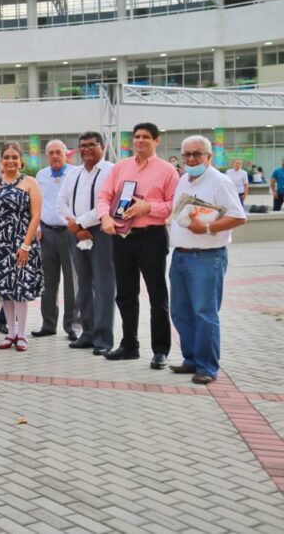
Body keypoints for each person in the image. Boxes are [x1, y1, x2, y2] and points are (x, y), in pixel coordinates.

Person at [96, 122, 179, 369]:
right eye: (136, 137)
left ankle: (160, 350)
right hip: (122, 238)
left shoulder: (168, 171)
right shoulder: (121, 167)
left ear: (156, 141)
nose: (140, 140)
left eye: (145, 137)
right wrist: (105, 217)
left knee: (157, 296)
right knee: (125, 294)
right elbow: (104, 196)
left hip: (151, 236)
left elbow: (175, 204)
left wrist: (149, 207)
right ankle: (129, 345)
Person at [168, 136, 247, 384]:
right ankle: (191, 359)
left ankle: (207, 367)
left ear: (209, 156)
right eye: (187, 155)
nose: (191, 159)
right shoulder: (183, 179)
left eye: (197, 154)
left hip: (207, 257)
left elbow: (238, 216)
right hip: (180, 254)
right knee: (180, 312)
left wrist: (209, 228)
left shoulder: (220, 182)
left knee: (204, 313)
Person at [57, 132, 115, 355]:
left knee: (103, 286)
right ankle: (87, 333)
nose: (87, 149)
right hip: (75, 233)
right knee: (83, 285)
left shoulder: (111, 171)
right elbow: (60, 203)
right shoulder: (74, 173)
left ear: (102, 147)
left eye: (92, 145)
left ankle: (103, 339)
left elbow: (108, 204)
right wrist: (76, 226)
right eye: (83, 145)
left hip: (102, 232)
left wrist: (81, 223)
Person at [0, 142, 43, 352]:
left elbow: (36, 215)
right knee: (5, 290)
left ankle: (22, 334)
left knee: (20, 289)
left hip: (22, 244)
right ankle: (10, 332)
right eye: (6, 157)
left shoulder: (30, 182)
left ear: (21, 161)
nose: (10, 161)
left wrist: (26, 245)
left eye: (14, 157)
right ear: (1, 161)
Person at [34, 140, 79, 339]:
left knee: (72, 282)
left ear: (65, 154)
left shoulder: (75, 173)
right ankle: (48, 324)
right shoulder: (41, 176)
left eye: (58, 152)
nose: (54, 156)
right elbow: (36, 204)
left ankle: (72, 326)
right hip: (47, 233)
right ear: (46, 155)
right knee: (48, 282)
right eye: (50, 153)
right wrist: (36, 227)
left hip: (69, 233)